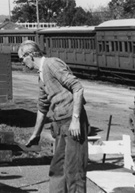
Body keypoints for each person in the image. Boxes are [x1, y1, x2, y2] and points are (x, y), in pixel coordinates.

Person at [19, 40, 88, 193]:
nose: (22, 63)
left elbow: (77, 87)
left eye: (21, 58)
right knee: (57, 169)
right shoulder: (41, 76)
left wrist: (76, 120)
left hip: (72, 120)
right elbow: (42, 108)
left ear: (30, 55)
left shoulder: (52, 64)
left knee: (74, 171)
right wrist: (35, 134)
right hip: (60, 124)